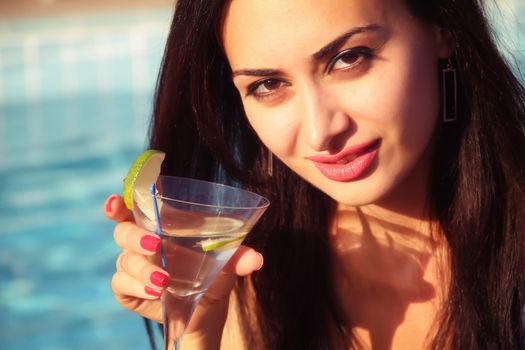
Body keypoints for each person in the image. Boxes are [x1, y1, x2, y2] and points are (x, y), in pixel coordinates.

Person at [103, 0, 525, 348]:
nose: (321, 131)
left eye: (348, 58)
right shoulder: (254, 280)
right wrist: (197, 335)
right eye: (268, 85)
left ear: (442, 28)